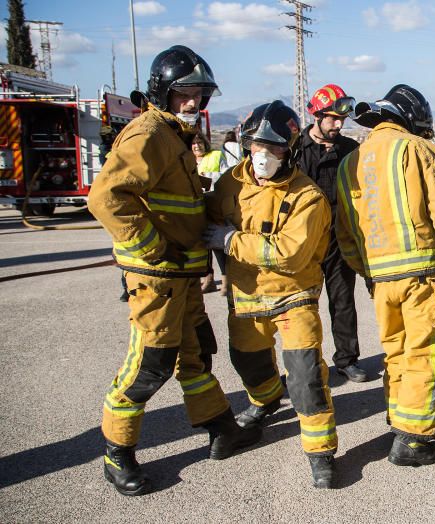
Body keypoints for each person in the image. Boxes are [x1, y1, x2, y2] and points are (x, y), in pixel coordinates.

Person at [88, 44, 260, 497]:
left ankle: (221, 428)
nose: (193, 102)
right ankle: (116, 452)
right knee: (150, 365)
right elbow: (106, 198)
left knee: (196, 357)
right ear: (163, 92)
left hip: (181, 278)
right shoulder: (148, 133)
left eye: (200, 95)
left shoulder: (174, 136)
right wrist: (151, 247)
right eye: (185, 93)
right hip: (158, 279)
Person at [339, 84, 435, 466]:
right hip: (421, 274)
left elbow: (346, 231)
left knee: (396, 351)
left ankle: (399, 418)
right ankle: (414, 441)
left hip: (379, 279)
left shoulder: (350, 161)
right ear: (410, 119)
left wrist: (366, 270)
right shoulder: (417, 149)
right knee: (427, 352)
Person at [203, 100, 339, 488]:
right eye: (257, 145)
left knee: (305, 377)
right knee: (248, 364)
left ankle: (321, 453)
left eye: (274, 147)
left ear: (290, 150)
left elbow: (291, 255)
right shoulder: (229, 183)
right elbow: (209, 217)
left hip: (293, 297)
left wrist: (230, 240)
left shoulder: (307, 196)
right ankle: (264, 404)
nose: (263, 154)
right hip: (245, 299)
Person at [296, 83, 367, 383]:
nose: (338, 125)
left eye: (342, 120)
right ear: (317, 115)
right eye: (332, 119)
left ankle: (347, 360)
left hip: (339, 241)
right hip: (304, 244)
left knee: (343, 303)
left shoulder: (350, 150)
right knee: (301, 308)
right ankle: (305, 366)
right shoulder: (295, 149)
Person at [191, 130, 223, 293]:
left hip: (212, 204)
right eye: (194, 143)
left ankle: (224, 278)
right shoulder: (186, 159)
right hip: (193, 206)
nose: (197, 146)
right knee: (199, 245)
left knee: (215, 242)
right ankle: (206, 277)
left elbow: (227, 175)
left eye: (200, 142)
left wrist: (208, 176)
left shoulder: (216, 156)